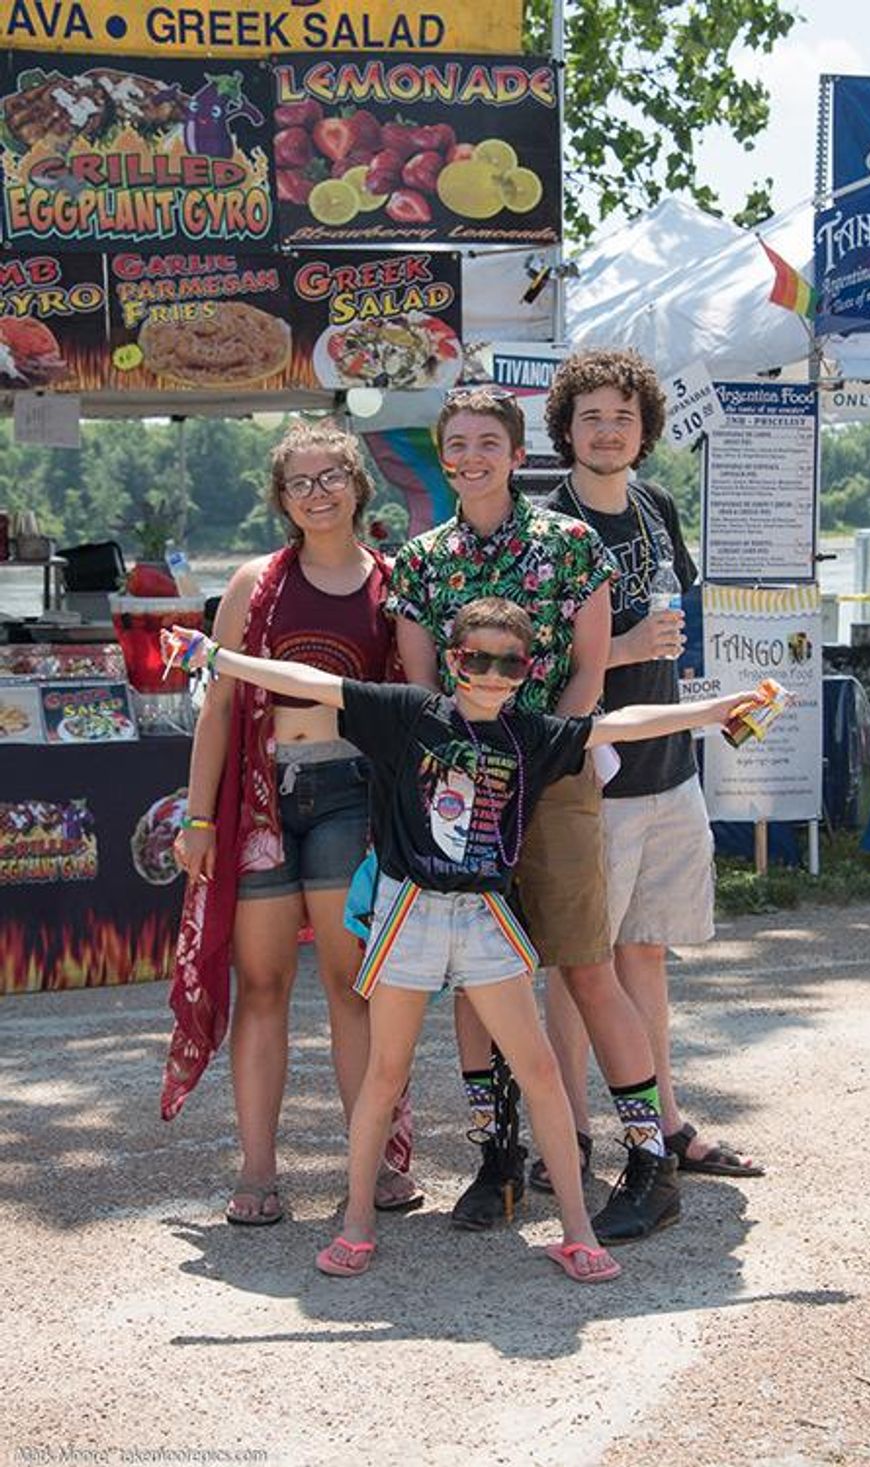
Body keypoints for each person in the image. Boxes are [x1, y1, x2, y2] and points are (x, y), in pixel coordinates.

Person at [162, 597, 760, 1280]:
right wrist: (216, 657)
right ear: (452, 661)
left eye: (510, 664)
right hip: (410, 913)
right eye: (477, 659)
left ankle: (576, 1231)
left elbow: (617, 724)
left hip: (484, 917)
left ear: (527, 671)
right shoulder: (409, 714)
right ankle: (356, 1223)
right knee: (385, 1072)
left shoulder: (530, 733)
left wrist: (713, 712)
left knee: (538, 1071)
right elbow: (309, 681)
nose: (491, 675)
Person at [388, 386, 698, 1245]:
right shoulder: (419, 561)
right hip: (462, 794)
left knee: (586, 966)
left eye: (489, 442)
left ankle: (651, 1162)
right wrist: (469, 773)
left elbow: (590, 672)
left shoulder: (571, 544)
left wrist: (538, 757)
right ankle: (498, 1157)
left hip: (555, 781)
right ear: (443, 456)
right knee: (475, 978)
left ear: (518, 454)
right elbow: (421, 684)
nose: (473, 457)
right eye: (458, 443)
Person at [161, 419, 419, 1224]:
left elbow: (416, 701)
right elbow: (219, 706)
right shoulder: (253, 583)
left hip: (350, 793)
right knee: (263, 983)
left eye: (331, 476)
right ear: (282, 497)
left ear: (358, 485)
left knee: (351, 985)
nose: (317, 493)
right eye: (299, 482)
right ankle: (258, 1170)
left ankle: (372, 1163)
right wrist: (198, 816)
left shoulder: (392, 584)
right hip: (260, 798)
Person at [537, 346, 764, 1182]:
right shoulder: (547, 529)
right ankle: (572, 1134)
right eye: (591, 417)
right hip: (590, 781)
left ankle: (667, 1122)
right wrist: (625, 647)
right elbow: (523, 664)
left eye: (623, 417)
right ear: (565, 429)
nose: (607, 431)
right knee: (577, 965)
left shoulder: (656, 504)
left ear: (645, 430)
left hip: (669, 768)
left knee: (645, 953)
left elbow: (672, 617)